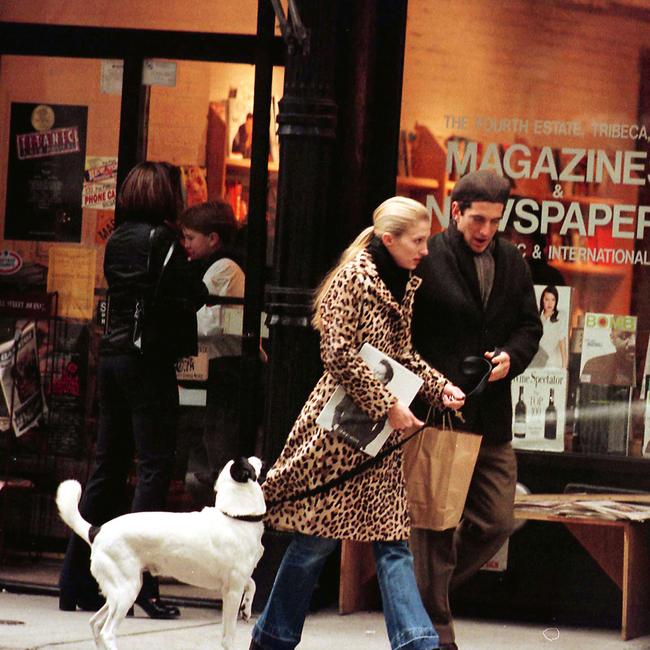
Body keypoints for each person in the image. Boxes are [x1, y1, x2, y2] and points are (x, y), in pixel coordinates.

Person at [249, 196, 466, 650]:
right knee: (315, 544)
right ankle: (271, 637)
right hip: (341, 432)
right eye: (419, 240)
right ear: (390, 239)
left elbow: (403, 356)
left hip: (380, 437)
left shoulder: (404, 281)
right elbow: (338, 353)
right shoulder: (354, 278)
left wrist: (438, 388)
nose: (426, 250)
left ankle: (417, 643)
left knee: (392, 542)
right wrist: (388, 404)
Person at [59, 162, 208, 618]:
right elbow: (191, 292)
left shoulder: (118, 238)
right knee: (154, 468)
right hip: (148, 363)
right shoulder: (163, 241)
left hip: (113, 357)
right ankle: (141, 584)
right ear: (165, 197)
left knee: (108, 468)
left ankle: (74, 581)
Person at [410, 169, 542, 650]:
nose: (486, 230)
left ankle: (421, 591)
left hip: (492, 417)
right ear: (455, 212)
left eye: (495, 221)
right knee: (436, 531)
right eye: (477, 220)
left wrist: (512, 357)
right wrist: (428, 387)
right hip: (440, 413)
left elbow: (529, 328)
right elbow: (403, 336)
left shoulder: (512, 261)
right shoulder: (428, 258)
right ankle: (436, 635)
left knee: (497, 520)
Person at [177, 199, 246, 503]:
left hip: (223, 365)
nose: (185, 244)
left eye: (191, 237)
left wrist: (174, 319)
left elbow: (208, 321)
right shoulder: (210, 266)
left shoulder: (224, 268)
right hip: (212, 365)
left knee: (218, 436)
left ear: (213, 239)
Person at [330, 359, 394, 449]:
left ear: (385, 380)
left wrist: (364, 443)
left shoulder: (386, 403)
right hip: (339, 433)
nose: (373, 374)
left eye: (378, 373)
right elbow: (339, 408)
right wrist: (335, 425)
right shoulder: (358, 387)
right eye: (374, 370)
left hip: (356, 444)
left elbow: (379, 428)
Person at [529, 285, 567, 369]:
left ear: (556, 301)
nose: (550, 303)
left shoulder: (560, 316)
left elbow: (562, 339)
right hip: (532, 351)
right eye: (547, 299)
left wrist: (564, 365)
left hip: (543, 354)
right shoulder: (537, 315)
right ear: (542, 300)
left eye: (553, 300)